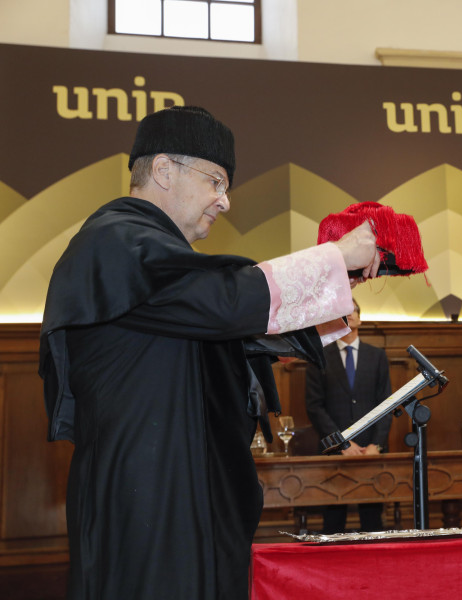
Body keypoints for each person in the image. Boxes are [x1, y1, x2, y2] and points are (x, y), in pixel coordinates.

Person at [40, 105, 381, 600]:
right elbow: (224, 305)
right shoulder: (114, 242)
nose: (224, 202)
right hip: (146, 492)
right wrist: (333, 259)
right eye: (216, 182)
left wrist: (338, 283)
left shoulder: (158, 258)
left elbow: (234, 333)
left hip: (184, 484)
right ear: (162, 170)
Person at [305, 298, 393, 532]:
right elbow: (315, 407)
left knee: (373, 521)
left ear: (359, 318)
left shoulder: (377, 356)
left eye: (352, 310)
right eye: (342, 312)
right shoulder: (319, 357)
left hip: (370, 451)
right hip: (335, 451)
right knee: (333, 521)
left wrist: (377, 444)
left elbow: (387, 404)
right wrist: (341, 443)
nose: (349, 314)